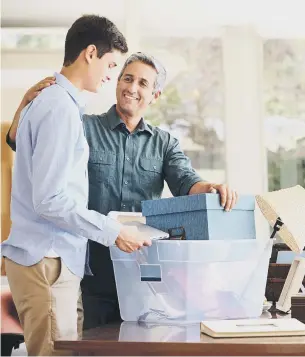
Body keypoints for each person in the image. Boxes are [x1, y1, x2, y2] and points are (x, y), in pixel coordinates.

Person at [6, 52, 237, 331]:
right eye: (127, 78)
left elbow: (186, 182)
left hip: (144, 277)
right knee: (87, 350)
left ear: (155, 95)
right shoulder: (82, 126)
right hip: (90, 274)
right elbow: (28, 147)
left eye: (142, 83)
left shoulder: (165, 144)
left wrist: (209, 188)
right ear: (117, 83)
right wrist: (25, 105)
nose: (132, 88)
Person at [2, 16, 152, 356]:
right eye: (111, 64)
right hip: (47, 259)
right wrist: (114, 231)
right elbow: (49, 200)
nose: (111, 74)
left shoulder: (53, 102)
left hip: (53, 261)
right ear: (90, 53)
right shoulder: (58, 107)